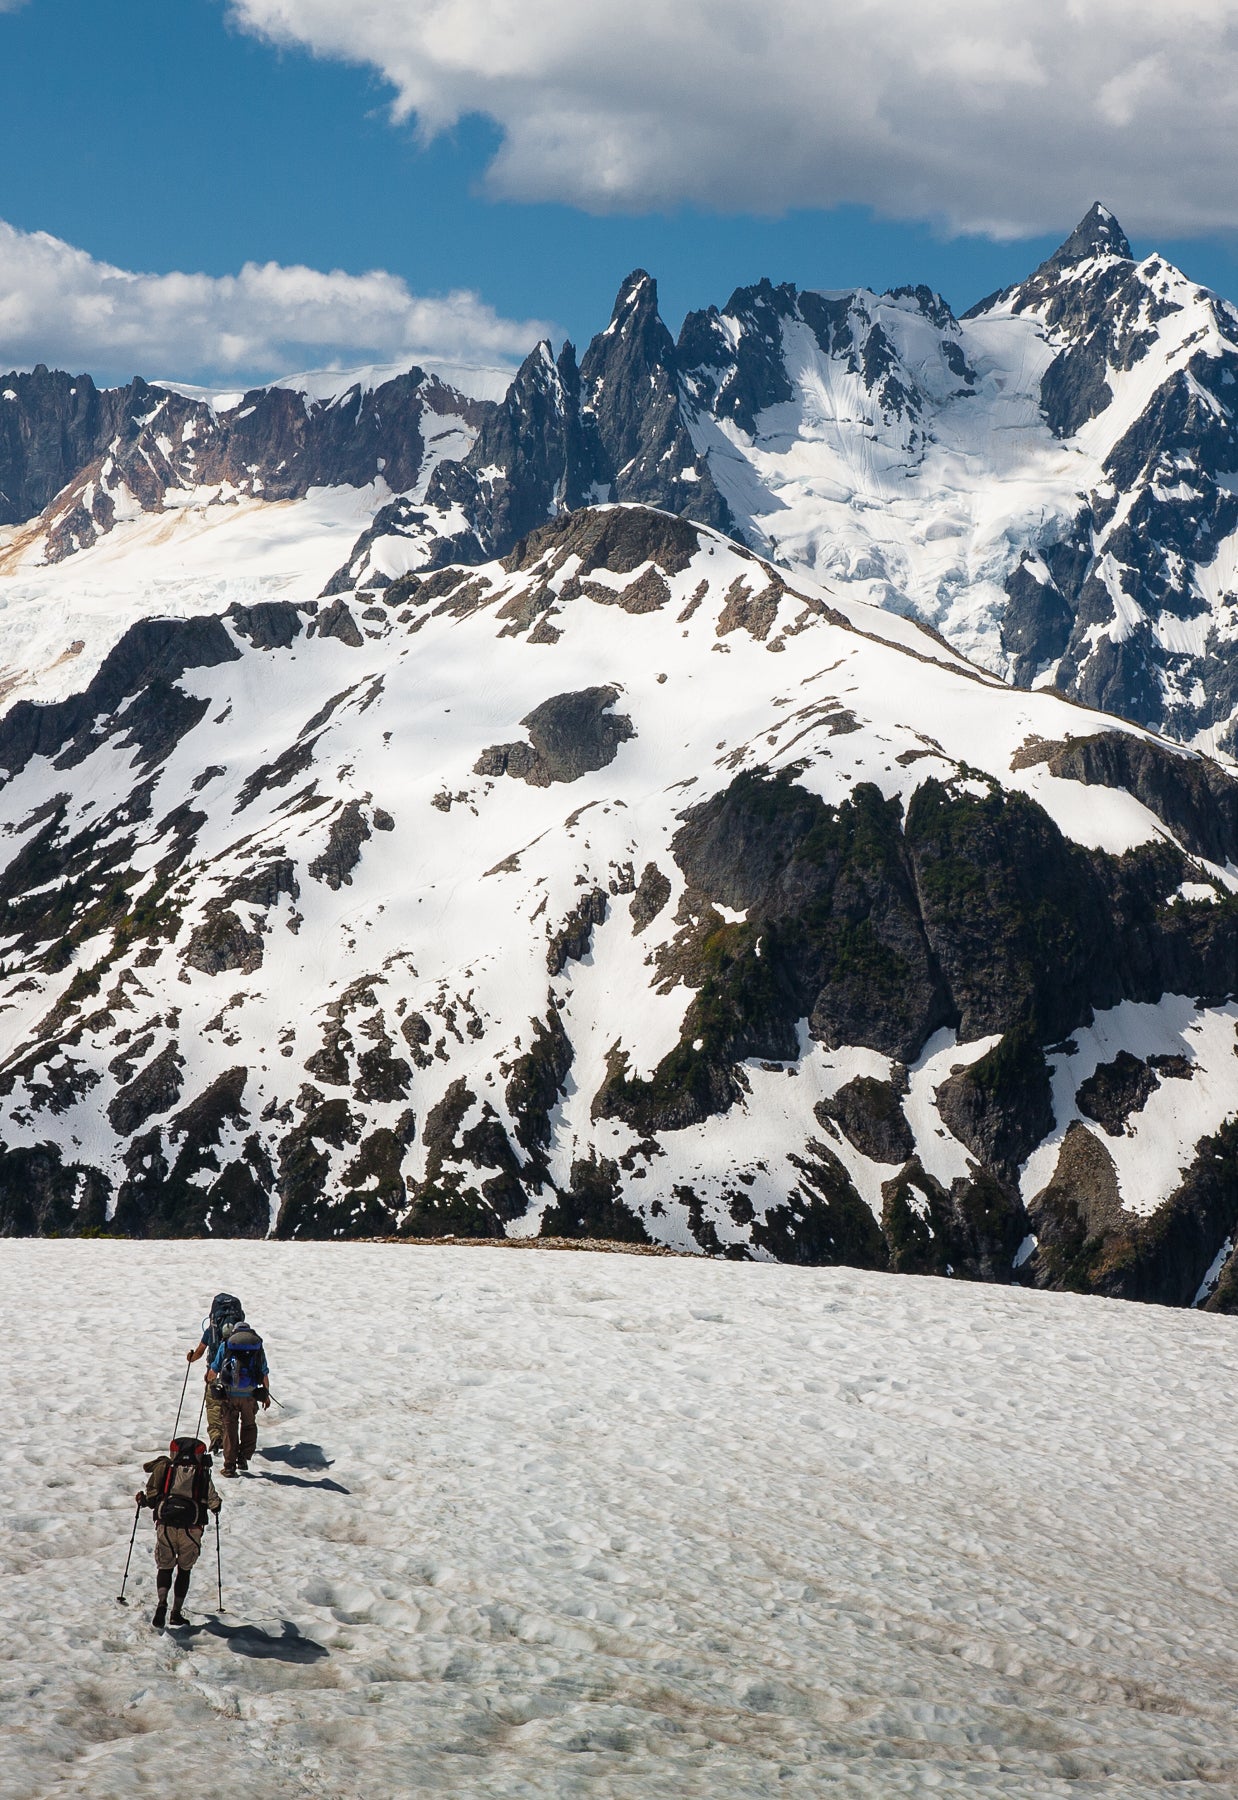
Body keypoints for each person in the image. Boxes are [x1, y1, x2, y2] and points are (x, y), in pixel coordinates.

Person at [135, 1437, 221, 1628]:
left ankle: (162, 1602)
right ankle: (175, 1613)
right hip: (191, 1530)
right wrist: (214, 1507)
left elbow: (152, 1496)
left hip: (165, 1526)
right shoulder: (202, 1474)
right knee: (184, 1570)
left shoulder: (165, 1469)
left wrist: (144, 1500)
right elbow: (214, 1502)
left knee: (164, 1567)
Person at [207, 1317, 270, 1477]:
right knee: (249, 1426)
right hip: (250, 1396)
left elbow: (214, 1370)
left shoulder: (226, 1345)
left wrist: (211, 1382)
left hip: (229, 1396)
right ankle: (243, 1457)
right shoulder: (256, 1348)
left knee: (230, 1429)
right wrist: (266, 1395)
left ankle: (229, 1467)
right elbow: (263, 1373)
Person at [186, 1293, 243, 1453]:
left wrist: (191, 1357)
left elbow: (199, 1352)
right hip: (237, 1376)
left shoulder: (212, 1329)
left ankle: (216, 1436)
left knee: (213, 1405)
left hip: (214, 1372)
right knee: (231, 1408)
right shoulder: (241, 1331)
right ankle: (230, 1440)